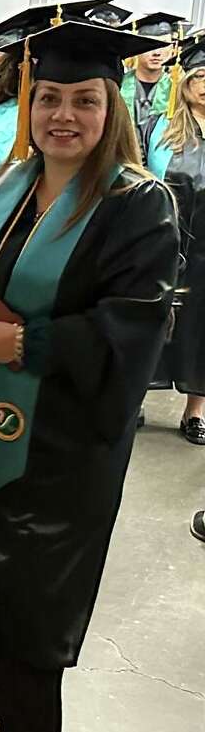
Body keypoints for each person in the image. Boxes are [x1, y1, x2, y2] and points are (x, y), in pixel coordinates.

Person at [0, 20, 177, 732]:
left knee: (39, 592)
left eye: (85, 100)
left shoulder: (139, 203)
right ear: (28, 103)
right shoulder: (8, 184)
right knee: (3, 574)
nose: (63, 115)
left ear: (114, 107)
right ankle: (10, 707)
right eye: (49, 98)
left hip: (66, 441)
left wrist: (30, 341)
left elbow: (132, 325)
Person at [143, 30, 205, 444]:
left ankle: (196, 411)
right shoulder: (158, 126)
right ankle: (133, 401)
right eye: (202, 75)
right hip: (165, 241)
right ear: (186, 81)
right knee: (148, 320)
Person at [123, 12, 180, 146]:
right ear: (136, 45)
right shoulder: (117, 85)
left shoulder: (178, 91)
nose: (157, 52)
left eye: (165, 44)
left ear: (173, 48)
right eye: (150, 44)